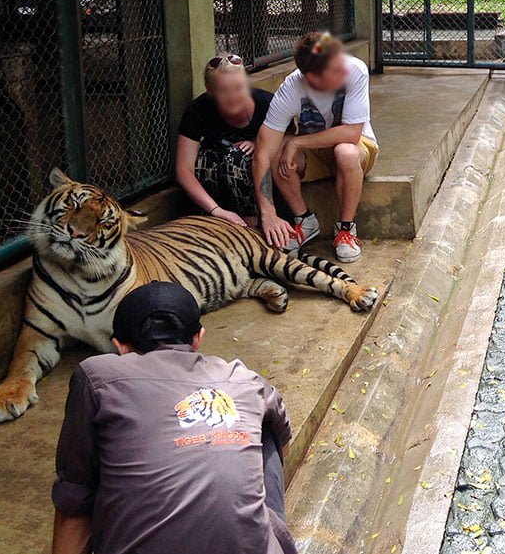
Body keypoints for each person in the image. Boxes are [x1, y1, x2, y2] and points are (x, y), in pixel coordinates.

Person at [51, 282, 296, 554]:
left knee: (91, 468)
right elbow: (284, 442)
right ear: (198, 338)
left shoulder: (97, 375)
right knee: (266, 431)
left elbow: (75, 494)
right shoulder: (241, 378)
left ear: (120, 347)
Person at [253, 32, 378, 262]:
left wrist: (297, 141)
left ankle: (346, 230)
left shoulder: (355, 70)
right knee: (277, 150)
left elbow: (351, 133)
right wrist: (267, 210)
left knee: (345, 151)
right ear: (311, 77)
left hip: (358, 147)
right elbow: (263, 150)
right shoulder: (291, 88)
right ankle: (305, 221)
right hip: (316, 156)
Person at [175, 54, 273, 227]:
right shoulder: (197, 110)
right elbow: (184, 169)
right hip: (218, 189)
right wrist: (216, 210)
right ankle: (213, 223)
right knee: (205, 160)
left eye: (238, 88)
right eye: (223, 90)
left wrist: (260, 142)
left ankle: (252, 227)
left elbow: (289, 141)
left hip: (260, 183)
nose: (232, 96)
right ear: (209, 90)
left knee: (235, 158)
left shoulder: (267, 103)